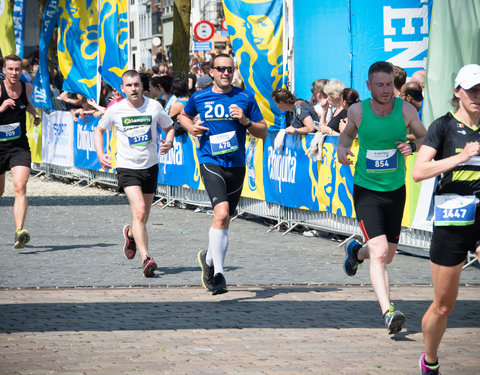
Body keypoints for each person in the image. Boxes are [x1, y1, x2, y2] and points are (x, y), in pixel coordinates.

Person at [337, 61, 426, 334]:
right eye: (379, 85)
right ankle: (388, 312)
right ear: (369, 86)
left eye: (389, 85)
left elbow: (425, 138)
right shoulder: (358, 110)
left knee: (386, 256)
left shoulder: (406, 110)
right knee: (379, 252)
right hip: (367, 190)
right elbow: (345, 138)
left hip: (395, 190)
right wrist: (342, 150)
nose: (386, 90)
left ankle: (355, 252)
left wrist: (411, 145)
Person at [177, 53, 267, 295]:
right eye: (221, 69)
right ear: (212, 72)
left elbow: (263, 132)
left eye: (230, 69)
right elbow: (182, 115)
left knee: (224, 220)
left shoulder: (245, 97)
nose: (226, 73)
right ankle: (219, 275)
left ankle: (208, 260)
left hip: (236, 165)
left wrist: (245, 121)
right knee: (222, 212)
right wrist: (191, 127)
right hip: (210, 161)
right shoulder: (200, 97)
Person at [412, 64, 480, 375]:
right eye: (472, 90)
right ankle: (430, 359)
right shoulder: (443, 126)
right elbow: (419, 171)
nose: (478, 95)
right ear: (458, 92)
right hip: (452, 219)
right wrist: (460, 157)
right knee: (443, 306)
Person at [94, 70, 174, 277]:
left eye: (137, 85)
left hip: (150, 167)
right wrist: (101, 154)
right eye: (129, 85)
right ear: (122, 89)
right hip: (127, 168)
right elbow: (99, 130)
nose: (134, 89)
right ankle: (146, 258)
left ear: (142, 86)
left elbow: (170, 126)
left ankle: (130, 233)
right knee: (139, 211)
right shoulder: (116, 110)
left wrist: (170, 141)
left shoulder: (154, 106)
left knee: (143, 217)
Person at [0, 54, 41, 249]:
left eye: (17, 69)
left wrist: (34, 113)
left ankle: (20, 231)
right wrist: (2, 107)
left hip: (19, 146)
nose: (14, 73)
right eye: (10, 69)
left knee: (20, 186)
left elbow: (26, 102)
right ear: (4, 71)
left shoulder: (27, 88)